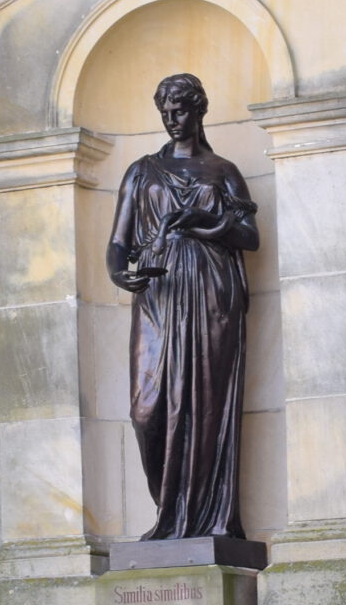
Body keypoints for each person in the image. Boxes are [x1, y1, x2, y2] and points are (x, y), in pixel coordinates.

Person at [105, 73, 259, 540]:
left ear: (199, 111)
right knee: (147, 412)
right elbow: (118, 241)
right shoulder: (141, 170)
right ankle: (169, 514)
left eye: (181, 111)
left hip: (213, 294)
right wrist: (117, 273)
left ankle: (207, 522)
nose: (173, 120)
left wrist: (204, 223)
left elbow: (250, 237)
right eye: (166, 112)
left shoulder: (223, 171)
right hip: (158, 294)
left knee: (206, 408)